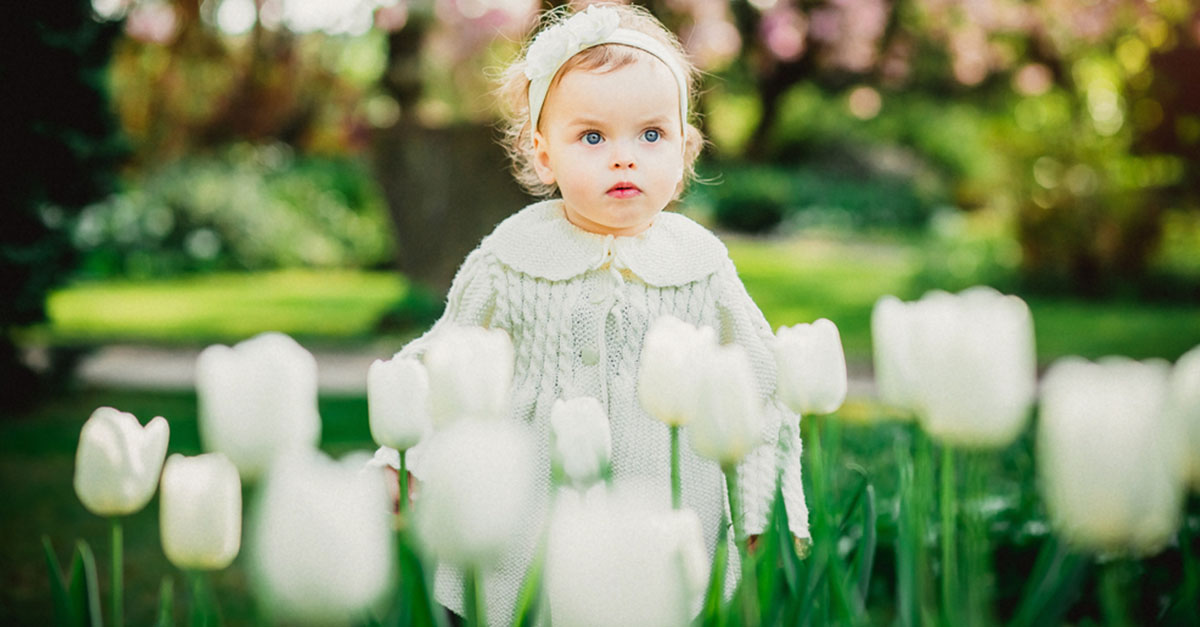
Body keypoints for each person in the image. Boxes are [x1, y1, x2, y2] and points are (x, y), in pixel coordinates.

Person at [391, 3, 809, 623]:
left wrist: (759, 508)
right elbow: (446, 359)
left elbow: (757, 387)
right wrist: (402, 464)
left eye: (651, 135)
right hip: (529, 518)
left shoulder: (701, 263)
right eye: (592, 136)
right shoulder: (509, 257)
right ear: (542, 153)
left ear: (686, 148)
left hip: (664, 510)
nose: (624, 157)